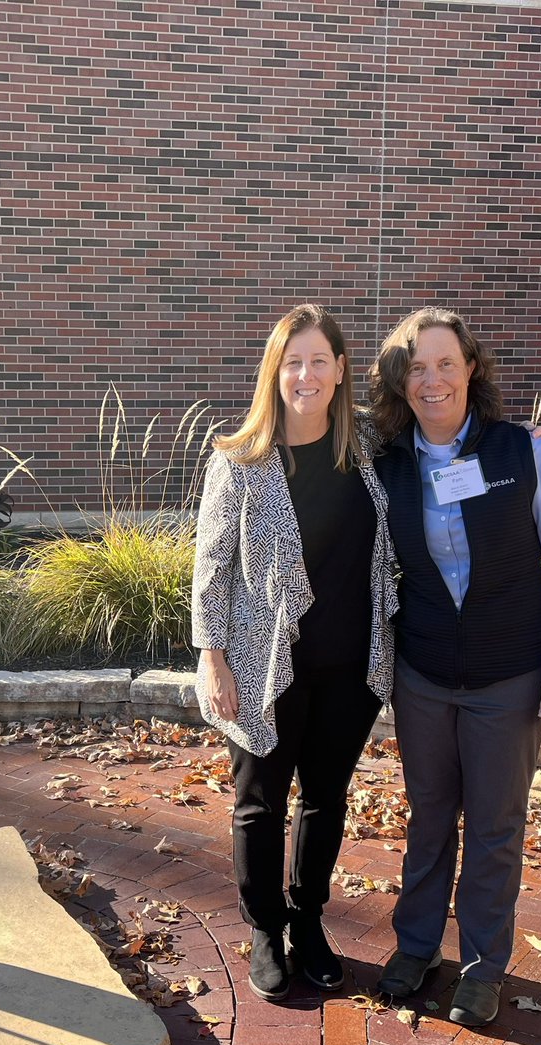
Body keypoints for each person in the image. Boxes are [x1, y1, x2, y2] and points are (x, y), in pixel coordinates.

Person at [370, 307, 541, 1026]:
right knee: (430, 817)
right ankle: (414, 949)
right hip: (425, 677)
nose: (431, 380)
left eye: (444, 363)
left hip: (509, 678)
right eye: (416, 367)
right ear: (399, 383)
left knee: (494, 826)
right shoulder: (384, 469)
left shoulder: (521, 452)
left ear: (470, 368)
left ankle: (480, 967)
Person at [191, 304, 398, 1002]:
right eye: (292, 361)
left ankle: (307, 921)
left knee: (325, 798)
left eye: (318, 360)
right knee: (259, 804)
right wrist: (211, 657)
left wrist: (526, 441)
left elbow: (450, 437)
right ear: (274, 372)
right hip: (262, 666)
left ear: (340, 370)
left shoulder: (368, 450)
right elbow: (210, 568)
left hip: (350, 665)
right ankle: (264, 928)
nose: (304, 374)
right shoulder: (239, 459)